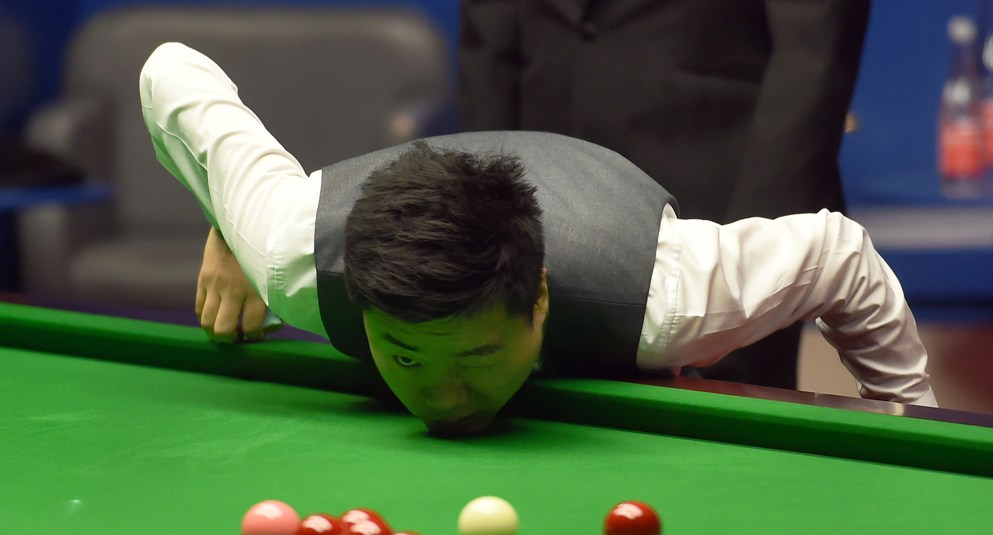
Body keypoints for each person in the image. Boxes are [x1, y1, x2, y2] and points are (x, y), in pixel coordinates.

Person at [140, 42, 935, 438]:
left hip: (608, 210)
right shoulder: (292, 253)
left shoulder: (666, 297)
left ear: (540, 301)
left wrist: (912, 420)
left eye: (479, 355)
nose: (444, 401)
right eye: (407, 357)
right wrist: (230, 221)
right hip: (348, 205)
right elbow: (169, 68)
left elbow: (840, 254)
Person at [458, 0, 872, 390]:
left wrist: (749, 269)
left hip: (714, 209)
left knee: (716, 455)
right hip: (539, 207)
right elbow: (490, 41)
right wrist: (474, 225)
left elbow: (813, 55)